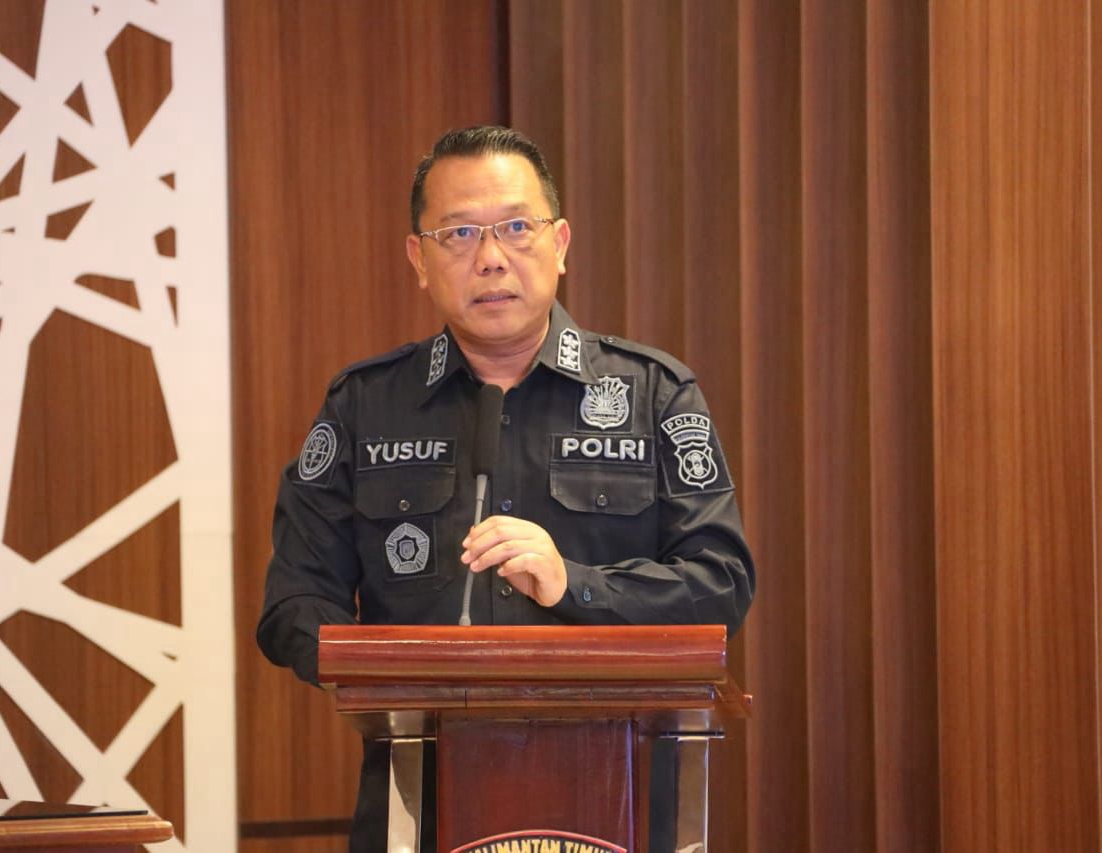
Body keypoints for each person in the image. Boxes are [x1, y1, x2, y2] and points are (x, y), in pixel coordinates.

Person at [257, 125, 755, 851]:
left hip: (619, 797)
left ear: (560, 244)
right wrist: (394, 676)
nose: (491, 257)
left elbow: (721, 584)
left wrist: (575, 585)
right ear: (418, 259)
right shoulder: (365, 406)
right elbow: (293, 604)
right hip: (418, 800)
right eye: (459, 233)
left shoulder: (654, 395)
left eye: (517, 227)